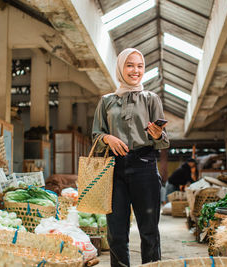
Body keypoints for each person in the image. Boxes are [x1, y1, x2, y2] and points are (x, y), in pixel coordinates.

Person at [92, 48, 169, 266]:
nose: (135, 70)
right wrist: (107, 138)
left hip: (145, 166)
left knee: (149, 232)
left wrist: (157, 134)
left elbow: (164, 141)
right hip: (114, 169)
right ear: (120, 68)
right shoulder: (106, 101)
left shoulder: (151, 99)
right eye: (129, 65)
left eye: (140, 66)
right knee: (116, 233)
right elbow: (95, 136)